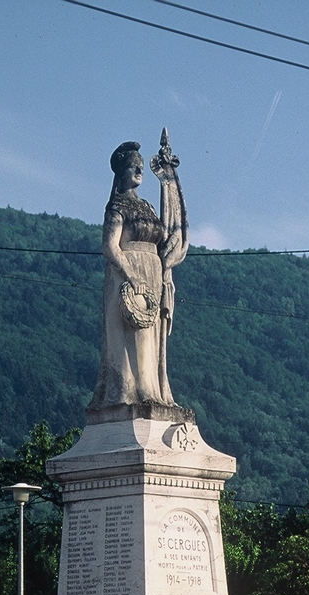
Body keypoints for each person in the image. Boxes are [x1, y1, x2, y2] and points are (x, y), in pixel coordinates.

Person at [89, 130, 189, 414]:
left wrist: (168, 184)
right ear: (122, 171)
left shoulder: (146, 206)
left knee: (151, 341)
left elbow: (164, 238)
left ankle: (152, 392)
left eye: (141, 167)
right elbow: (110, 247)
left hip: (152, 275)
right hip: (127, 278)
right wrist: (132, 276)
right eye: (134, 166)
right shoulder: (117, 206)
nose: (139, 171)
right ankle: (133, 394)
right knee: (132, 340)